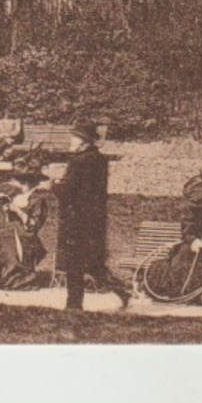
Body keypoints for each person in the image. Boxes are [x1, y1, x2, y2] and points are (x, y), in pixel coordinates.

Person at [52, 121, 130, 311]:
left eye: (74, 137)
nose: (71, 140)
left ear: (83, 142)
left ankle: (73, 304)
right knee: (93, 263)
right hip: (94, 219)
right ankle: (121, 291)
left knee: (74, 264)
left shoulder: (78, 162)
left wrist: (54, 184)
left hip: (76, 219)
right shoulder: (99, 160)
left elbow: (67, 191)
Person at [147, 173, 202, 301]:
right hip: (192, 246)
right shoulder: (190, 210)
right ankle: (180, 291)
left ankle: (200, 292)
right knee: (182, 260)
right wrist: (193, 240)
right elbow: (186, 231)